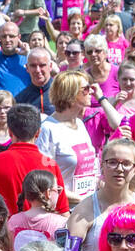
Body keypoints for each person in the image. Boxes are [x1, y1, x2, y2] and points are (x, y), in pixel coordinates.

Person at [64, 137, 135, 251]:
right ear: (101, 166)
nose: (119, 169)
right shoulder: (84, 210)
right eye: (112, 162)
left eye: (126, 163)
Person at [0, 103, 69, 216]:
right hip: (43, 232)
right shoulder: (50, 164)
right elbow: (63, 211)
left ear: (10, 132)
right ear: (38, 133)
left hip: (6, 231)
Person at [36, 71, 99, 201]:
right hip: (65, 209)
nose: (91, 92)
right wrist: (82, 201)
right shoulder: (48, 129)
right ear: (71, 93)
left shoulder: (80, 124)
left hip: (88, 205)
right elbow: (45, 181)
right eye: (86, 89)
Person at [7, 169, 68, 251]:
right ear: (48, 193)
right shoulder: (61, 223)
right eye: (57, 190)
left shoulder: (13, 221)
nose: (59, 193)